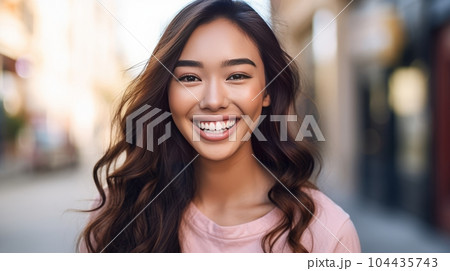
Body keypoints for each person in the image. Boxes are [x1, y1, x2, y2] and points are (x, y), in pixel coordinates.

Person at [78, 0, 360, 253]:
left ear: (267, 91)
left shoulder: (327, 232)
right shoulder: (117, 214)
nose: (213, 101)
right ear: (167, 94)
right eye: (189, 78)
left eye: (236, 76)